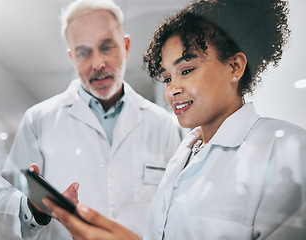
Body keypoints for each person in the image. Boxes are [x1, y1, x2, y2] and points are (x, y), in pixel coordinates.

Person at [42, 0, 306, 239]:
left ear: (234, 67)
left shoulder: (288, 150)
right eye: (167, 77)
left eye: (187, 70)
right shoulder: (183, 157)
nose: (172, 89)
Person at [0, 0, 181, 239]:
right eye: (84, 52)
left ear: (125, 46)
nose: (98, 64)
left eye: (106, 47)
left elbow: (176, 206)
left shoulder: (161, 123)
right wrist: (35, 208)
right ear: (72, 58)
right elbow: (4, 199)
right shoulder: (38, 120)